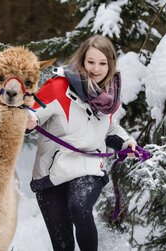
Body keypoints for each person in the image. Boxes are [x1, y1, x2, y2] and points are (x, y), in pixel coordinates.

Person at [26, 35, 137, 251]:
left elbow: (110, 129)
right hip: (50, 173)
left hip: (87, 167)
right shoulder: (58, 87)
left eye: (103, 63)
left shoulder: (108, 96)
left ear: (111, 65)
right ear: (82, 61)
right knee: (63, 244)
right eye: (91, 62)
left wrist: (127, 143)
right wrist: (29, 120)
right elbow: (33, 111)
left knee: (79, 206)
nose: (96, 69)